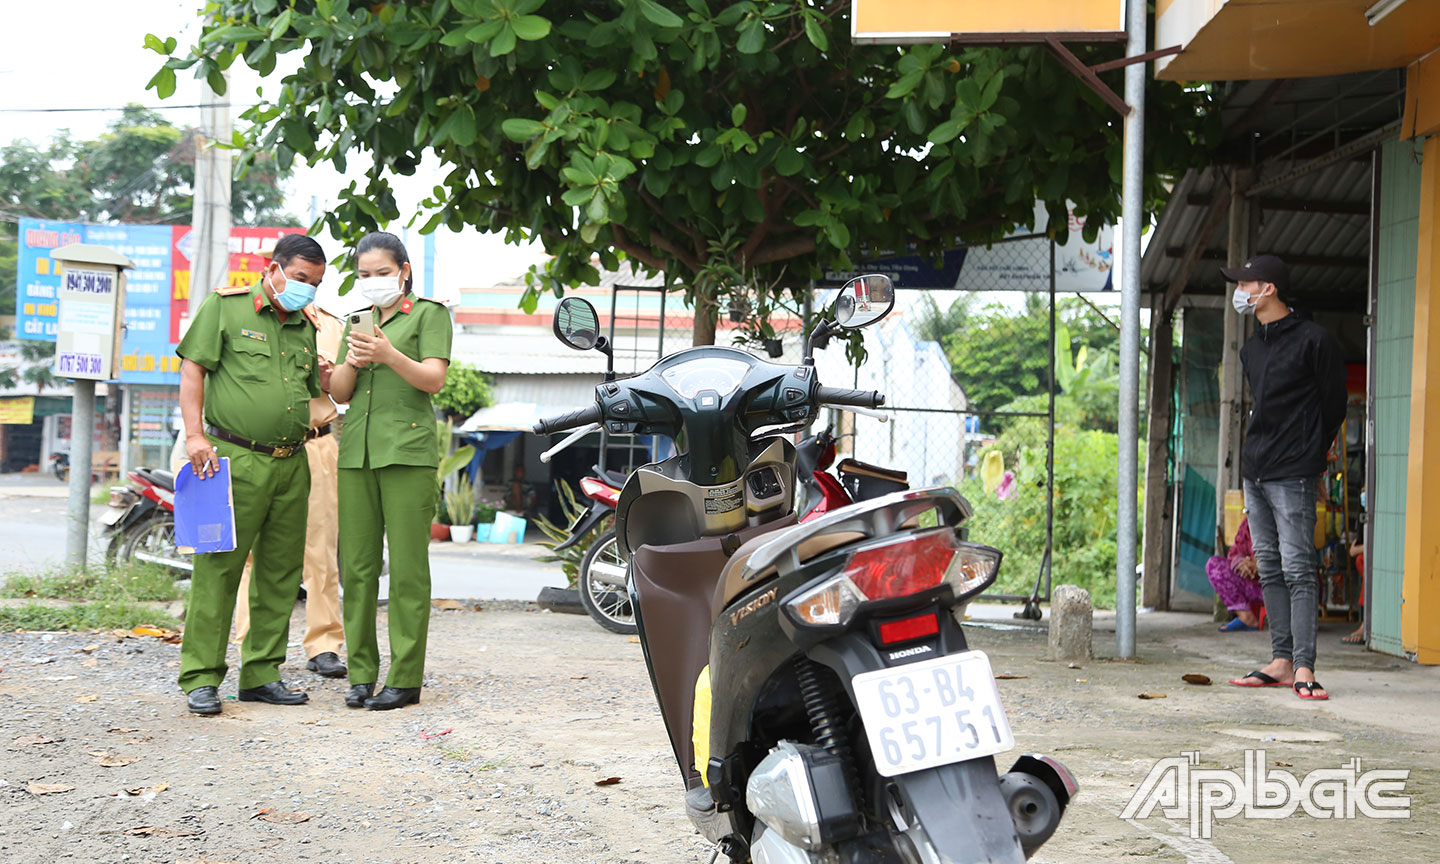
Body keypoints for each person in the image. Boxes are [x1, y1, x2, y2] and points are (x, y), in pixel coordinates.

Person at [174, 233, 332, 716]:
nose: (307, 289)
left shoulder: (305, 327)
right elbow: (193, 371)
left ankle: (261, 674)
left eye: (316, 284)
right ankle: (201, 678)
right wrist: (195, 435)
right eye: (301, 278)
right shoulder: (226, 308)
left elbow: (314, 393)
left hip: (292, 462)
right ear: (274, 268)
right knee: (218, 570)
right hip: (231, 460)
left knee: (280, 575)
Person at [328, 232, 452, 711]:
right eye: (363, 275)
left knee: (406, 571)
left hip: (407, 453)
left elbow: (433, 378)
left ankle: (404, 679)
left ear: (403, 269)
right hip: (356, 451)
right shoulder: (356, 321)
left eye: (381, 272)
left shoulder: (428, 313)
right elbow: (340, 390)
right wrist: (354, 360)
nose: (373, 281)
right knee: (356, 570)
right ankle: (360, 674)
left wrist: (389, 355)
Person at [1223, 254, 1346, 701]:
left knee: (1299, 567)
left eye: (1246, 283)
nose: (1240, 291)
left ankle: (1304, 666)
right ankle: (1279, 660)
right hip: (1256, 469)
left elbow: (1333, 403)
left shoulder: (1314, 340)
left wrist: (1314, 448)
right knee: (1270, 566)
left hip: (1294, 468)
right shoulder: (1251, 347)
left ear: (1268, 288)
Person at [233, 298, 348, 679]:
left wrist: (327, 375)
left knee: (321, 549)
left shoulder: (332, 326)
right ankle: (254, 643)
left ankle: (325, 644)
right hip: (259, 445)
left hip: (315, 443)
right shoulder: (246, 320)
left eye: (309, 278)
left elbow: (349, 388)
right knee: (253, 553)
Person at [1206, 517, 1265, 631]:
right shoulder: (1248, 522)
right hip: (1255, 588)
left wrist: (1261, 564)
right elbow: (1235, 552)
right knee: (1214, 565)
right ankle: (1246, 618)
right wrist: (1243, 564)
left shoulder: (1286, 519)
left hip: (1280, 589)